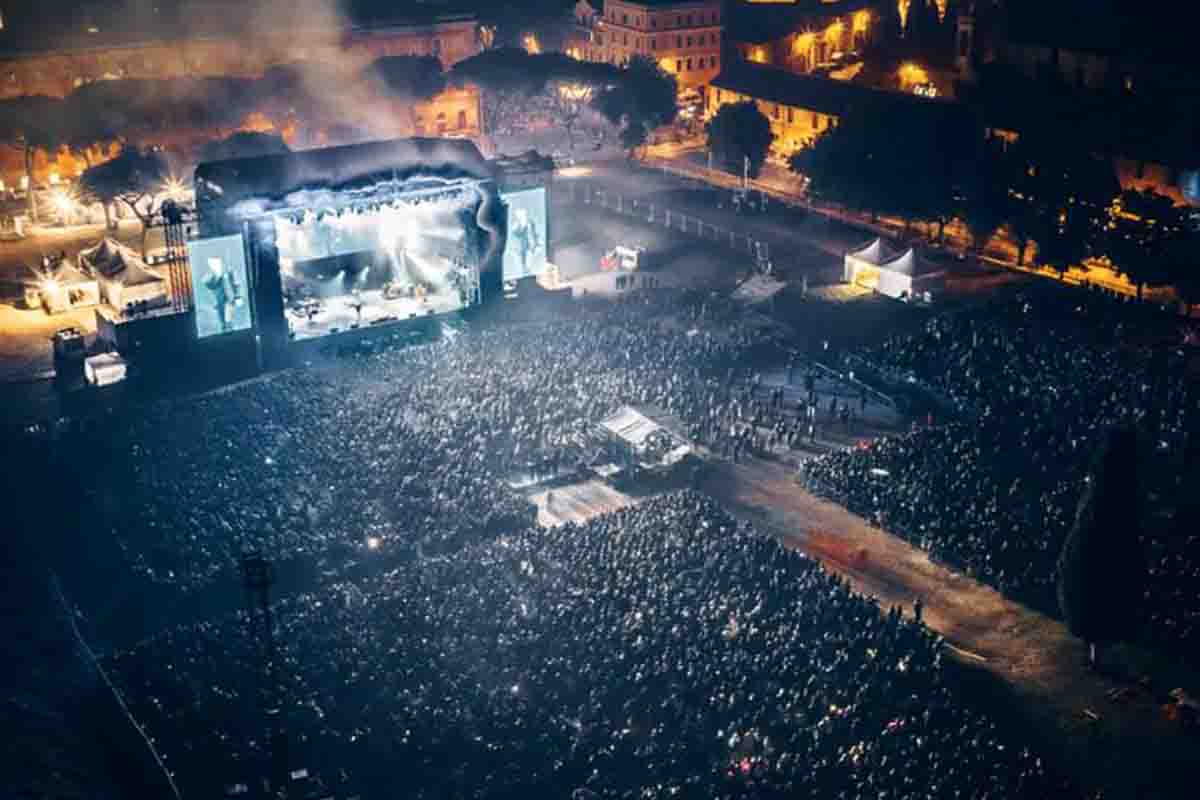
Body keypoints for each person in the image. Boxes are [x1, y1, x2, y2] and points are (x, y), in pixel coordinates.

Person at [201, 256, 243, 334]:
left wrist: (238, 296)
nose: (215, 265)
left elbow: (236, 283)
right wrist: (217, 275)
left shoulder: (229, 271)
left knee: (229, 321)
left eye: (216, 263)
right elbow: (207, 283)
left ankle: (231, 331)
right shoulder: (210, 275)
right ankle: (225, 331)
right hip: (219, 302)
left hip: (229, 300)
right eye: (212, 264)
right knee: (222, 322)